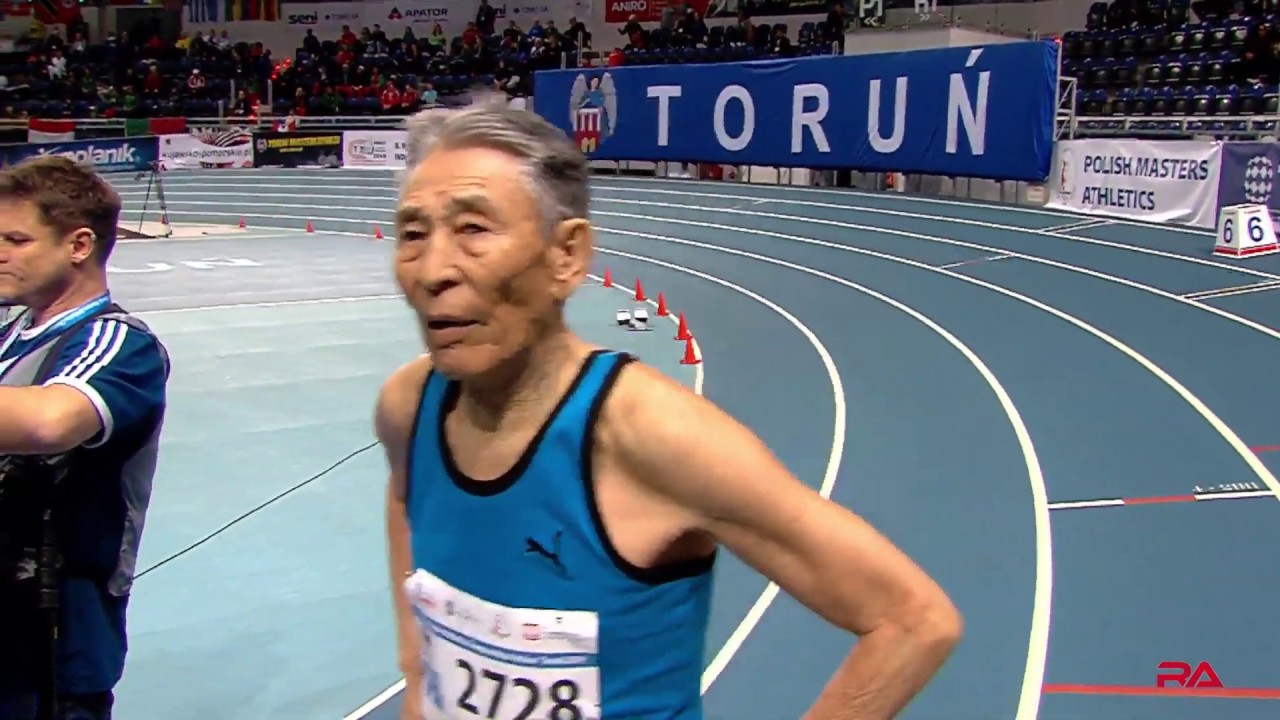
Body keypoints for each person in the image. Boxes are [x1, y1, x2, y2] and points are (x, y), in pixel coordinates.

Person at [376, 100, 962, 720]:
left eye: (473, 229)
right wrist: (416, 673)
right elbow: (403, 497)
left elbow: (912, 621)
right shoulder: (408, 409)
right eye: (413, 234)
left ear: (566, 255)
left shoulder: (656, 439)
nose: (434, 270)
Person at [0, 156, 170, 720]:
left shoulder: (119, 343)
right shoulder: (10, 336)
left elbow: (51, 421)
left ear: (78, 245)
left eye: (16, 240)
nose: (0, 252)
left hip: (53, 645)